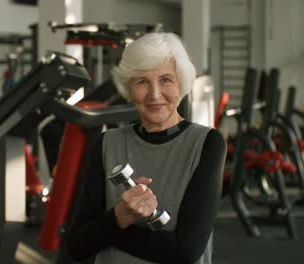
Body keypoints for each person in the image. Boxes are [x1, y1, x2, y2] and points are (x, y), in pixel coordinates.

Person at [65, 32, 227, 264]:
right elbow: (77, 245)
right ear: (128, 88)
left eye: (165, 80)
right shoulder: (107, 143)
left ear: (180, 83)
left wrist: (111, 229)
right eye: (142, 81)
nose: (154, 94)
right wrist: (121, 215)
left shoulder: (207, 144)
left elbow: (185, 251)